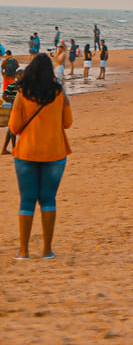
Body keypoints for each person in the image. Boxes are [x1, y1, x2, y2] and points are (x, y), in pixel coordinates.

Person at [8, 53, 73, 259]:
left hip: (26, 153)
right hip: (54, 153)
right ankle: (47, 250)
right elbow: (67, 123)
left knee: (26, 200)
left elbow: (14, 127)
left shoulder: (22, 94)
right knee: (48, 200)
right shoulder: (59, 94)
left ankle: (24, 251)